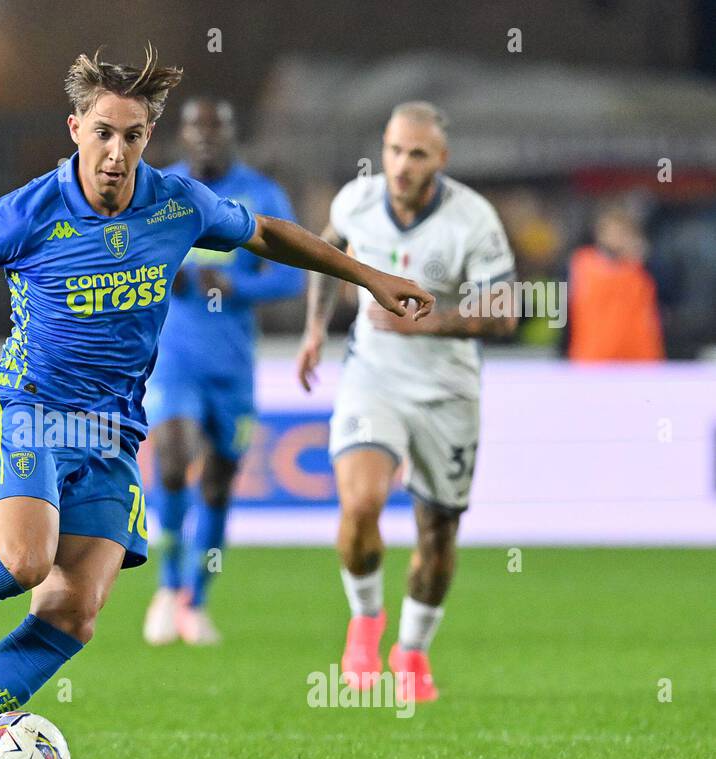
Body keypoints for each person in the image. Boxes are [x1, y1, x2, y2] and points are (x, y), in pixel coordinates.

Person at [0, 47, 433, 759]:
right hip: (24, 410)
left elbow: (269, 235)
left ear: (149, 136)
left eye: (132, 135)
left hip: (110, 434)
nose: (117, 152)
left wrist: (370, 277)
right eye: (102, 134)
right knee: (24, 562)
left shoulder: (176, 204)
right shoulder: (29, 211)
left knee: (72, 615)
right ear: (75, 130)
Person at [297, 102, 515, 703]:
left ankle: (412, 652)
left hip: (448, 392)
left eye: (417, 153)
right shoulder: (357, 201)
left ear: (440, 159)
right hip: (375, 380)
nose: (400, 163)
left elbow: (505, 316)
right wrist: (316, 330)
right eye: (394, 149)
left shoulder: (473, 219)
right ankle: (365, 625)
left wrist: (430, 325)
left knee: (437, 534)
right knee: (362, 500)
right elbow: (324, 254)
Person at [142, 96, 304, 647]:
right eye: (196, 128)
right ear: (181, 136)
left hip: (233, 370)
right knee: (173, 459)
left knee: (217, 485)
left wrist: (238, 288)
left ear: (234, 133)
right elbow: (126, 262)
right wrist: (166, 279)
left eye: (218, 126)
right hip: (173, 362)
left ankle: (196, 599)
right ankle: (166, 587)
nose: (207, 137)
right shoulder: (158, 189)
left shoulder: (262, 194)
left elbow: (293, 278)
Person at [565, 205, 665, 362]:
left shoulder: (645, 266)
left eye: (622, 232)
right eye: (612, 231)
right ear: (600, 233)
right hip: (592, 359)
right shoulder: (581, 263)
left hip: (639, 360)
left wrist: (645, 260)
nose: (616, 237)